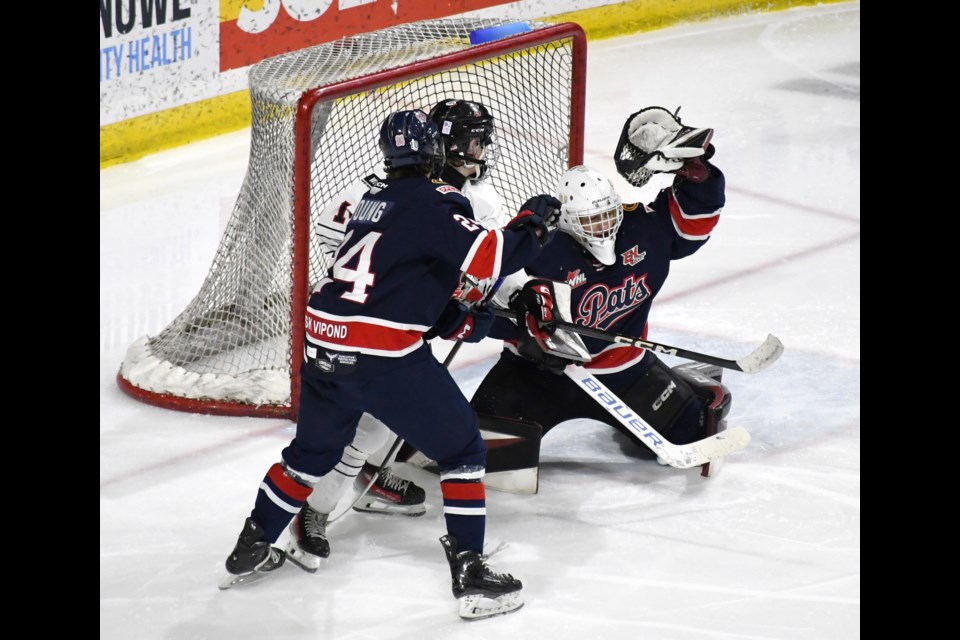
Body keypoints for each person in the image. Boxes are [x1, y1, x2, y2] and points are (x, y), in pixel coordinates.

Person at [222, 108, 562, 620]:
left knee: (310, 454)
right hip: (380, 356)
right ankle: (470, 573)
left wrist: (474, 318)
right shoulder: (436, 200)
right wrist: (531, 224)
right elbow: (490, 257)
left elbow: (406, 282)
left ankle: (250, 546)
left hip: (322, 342)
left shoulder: (370, 201)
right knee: (463, 447)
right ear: (433, 155)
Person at [420, 106, 734, 491]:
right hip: (534, 377)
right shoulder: (536, 253)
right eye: (590, 222)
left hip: (623, 368)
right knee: (477, 461)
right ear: (567, 222)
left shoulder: (642, 230)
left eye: (607, 217)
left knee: (694, 432)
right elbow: (479, 301)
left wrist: (695, 171)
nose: (603, 228)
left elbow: (696, 218)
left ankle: (688, 383)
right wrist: (523, 333)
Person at [285, 99, 522, 573]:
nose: (482, 151)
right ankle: (317, 507)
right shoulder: (385, 193)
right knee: (373, 421)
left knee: (392, 416)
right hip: (368, 324)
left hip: (411, 323)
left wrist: (516, 300)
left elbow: (490, 269)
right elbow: (346, 252)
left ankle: (373, 477)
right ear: (449, 147)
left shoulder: (478, 199)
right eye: (474, 141)